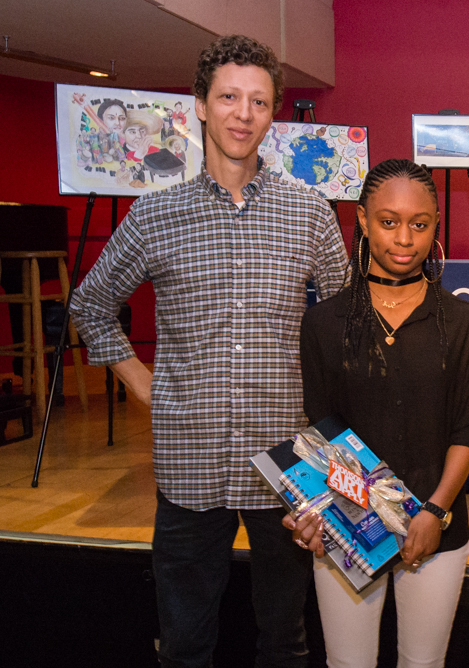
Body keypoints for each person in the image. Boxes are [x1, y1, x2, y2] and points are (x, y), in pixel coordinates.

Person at [70, 34, 349, 668]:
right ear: (199, 105)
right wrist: (143, 384)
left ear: (273, 114)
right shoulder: (155, 214)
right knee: (187, 647)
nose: (243, 114)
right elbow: (90, 304)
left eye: (258, 101)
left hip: (288, 466)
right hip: (189, 465)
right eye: (228, 97)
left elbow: (342, 325)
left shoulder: (309, 212)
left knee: (285, 643)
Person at [286, 158, 469, 668]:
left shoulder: (461, 322)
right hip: (349, 525)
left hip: (436, 526)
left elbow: (468, 429)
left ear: (435, 226)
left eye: (419, 225)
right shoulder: (324, 323)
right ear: (362, 219)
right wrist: (319, 514)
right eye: (389, 221)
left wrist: (434, 512)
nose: (404, 238)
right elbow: (320, 435)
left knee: (423, 663)